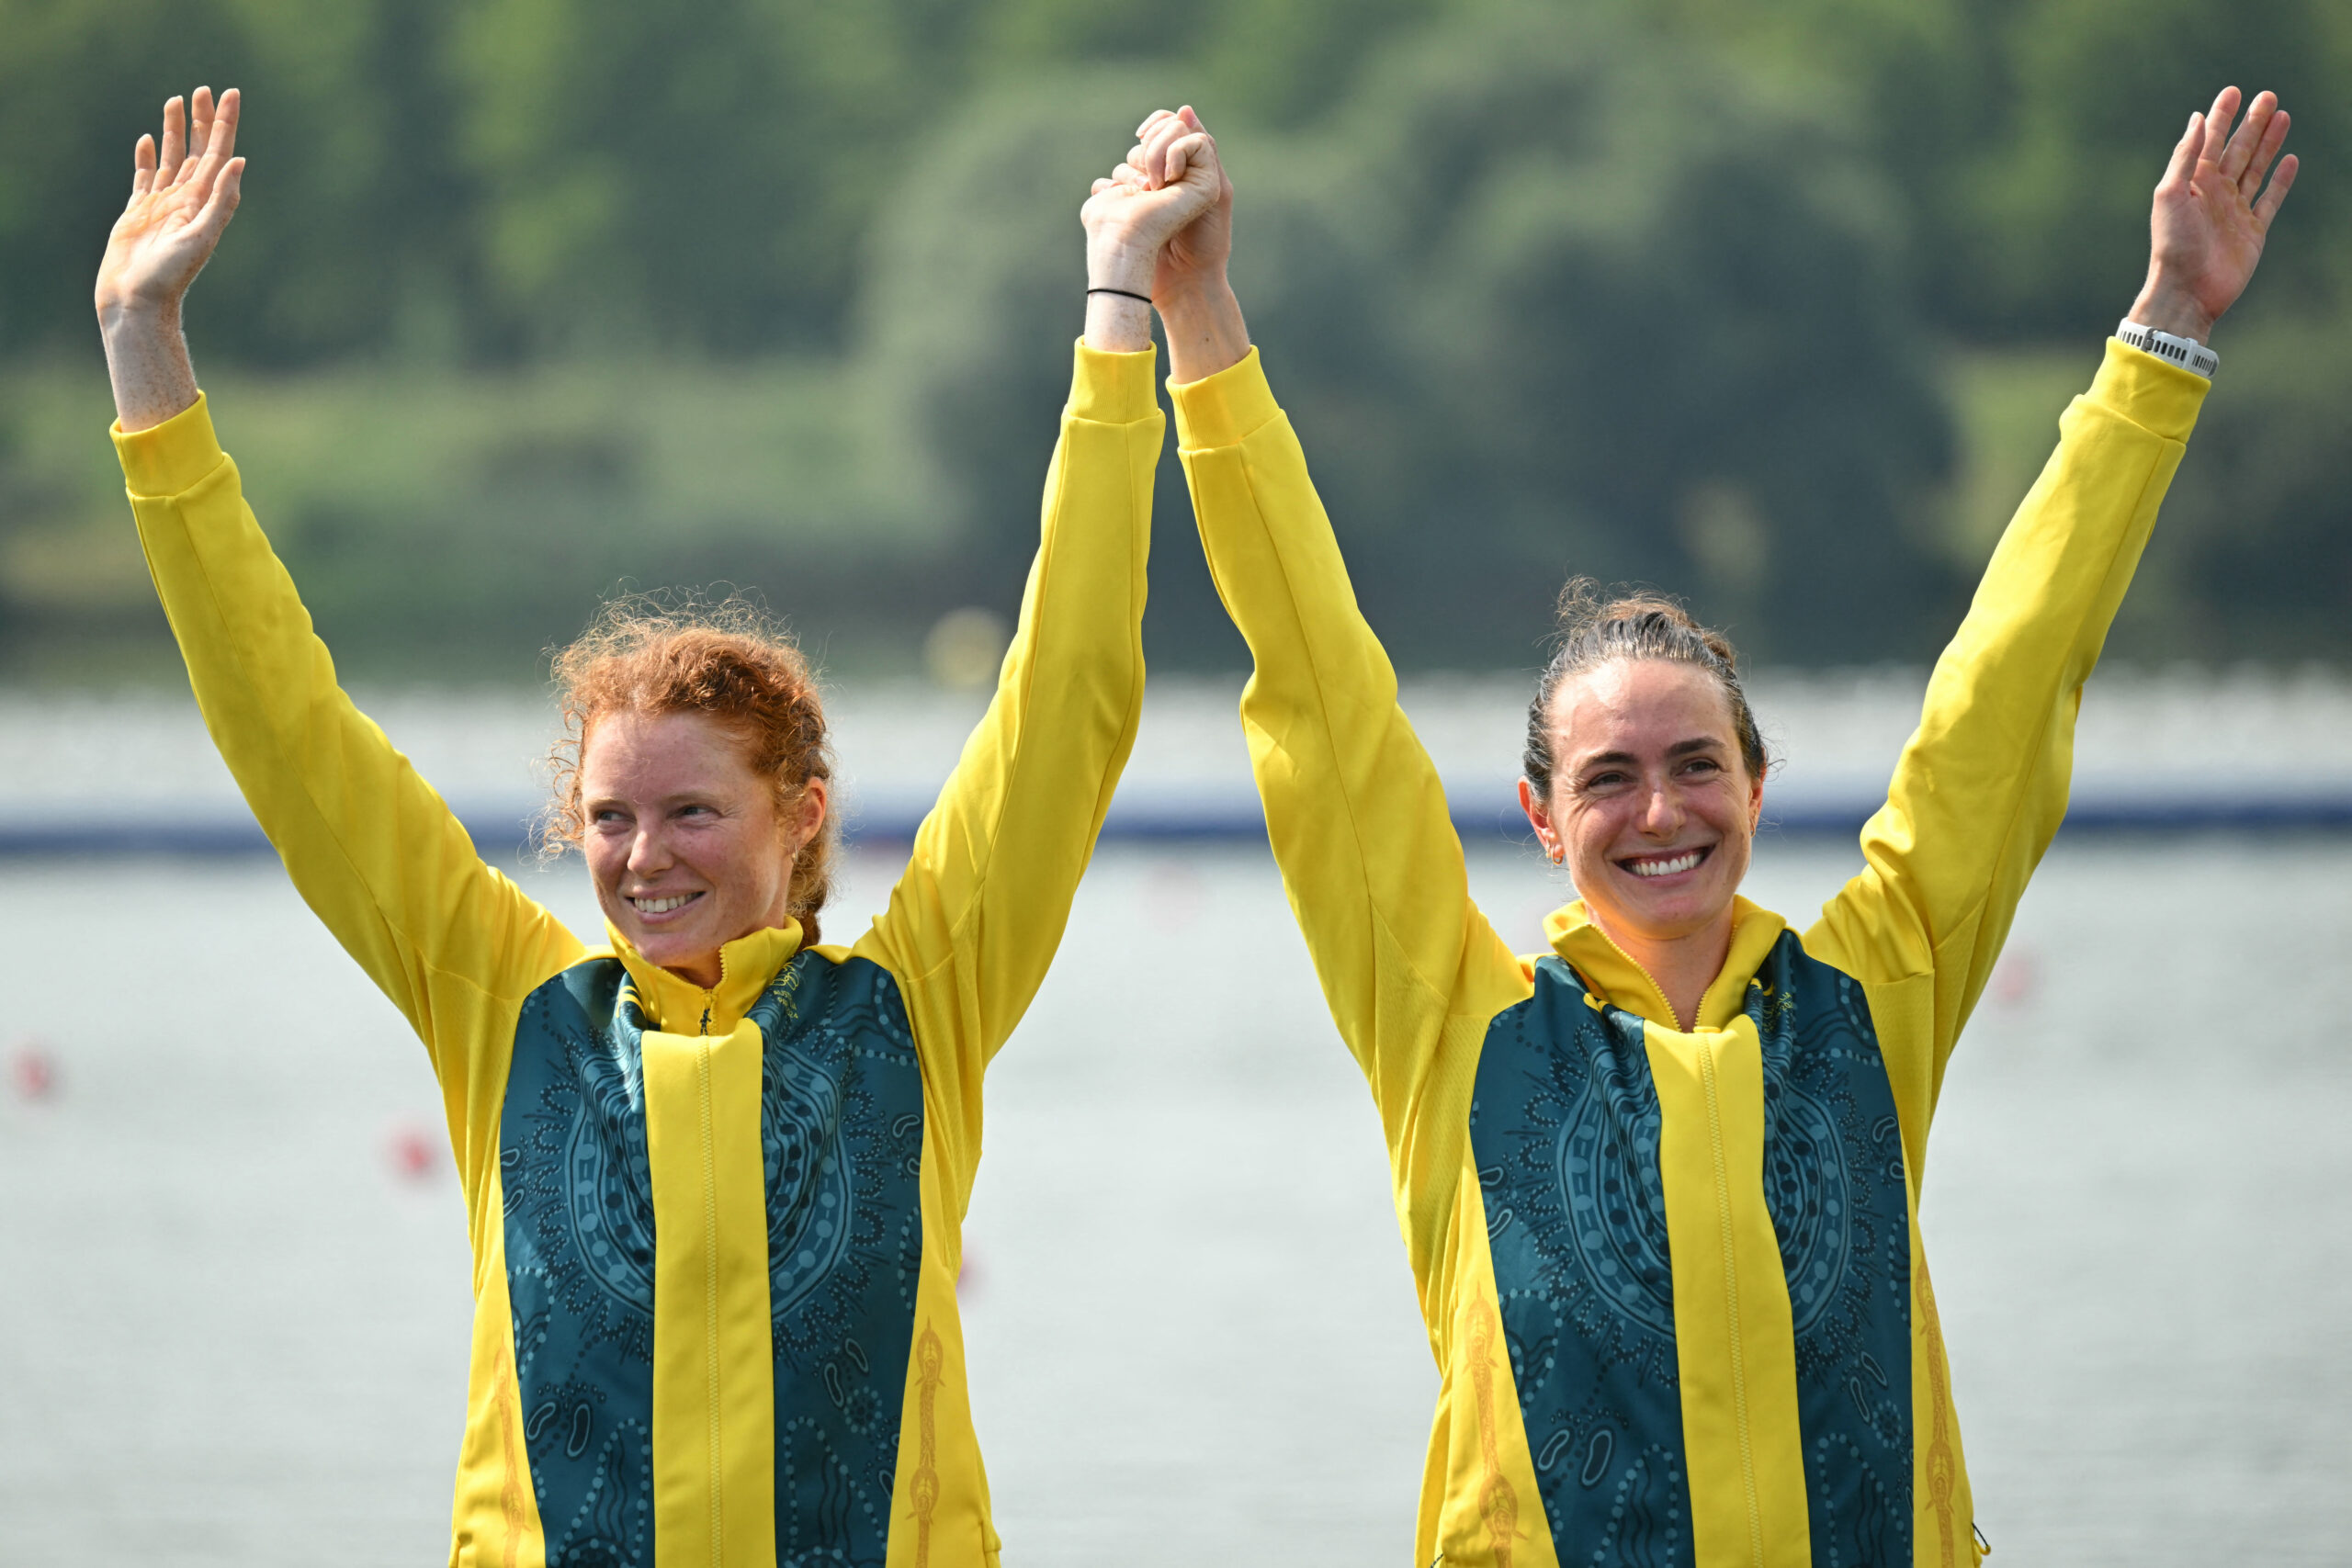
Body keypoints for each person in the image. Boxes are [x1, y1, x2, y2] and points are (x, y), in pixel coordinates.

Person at [1114, 90, 2297, 1566]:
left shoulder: (1874, 994)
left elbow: (2015, 677)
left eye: (1695, 766)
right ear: (1543, 819)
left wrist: (2168, 324)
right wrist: (1199, 313)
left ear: (1755, 787)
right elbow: (1316, 691)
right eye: (1608, 779)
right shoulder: (1457, 1030)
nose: (1659, 810)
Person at [93, 85, 1218, 1566]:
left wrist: (1118, 301)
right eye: (611, 817)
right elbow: (285, 725)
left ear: (800, 817)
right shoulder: (506, 1013)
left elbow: (1070, 685)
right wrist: (141, 352)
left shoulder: (917, 1005)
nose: (644, 855)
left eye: (694, 810)